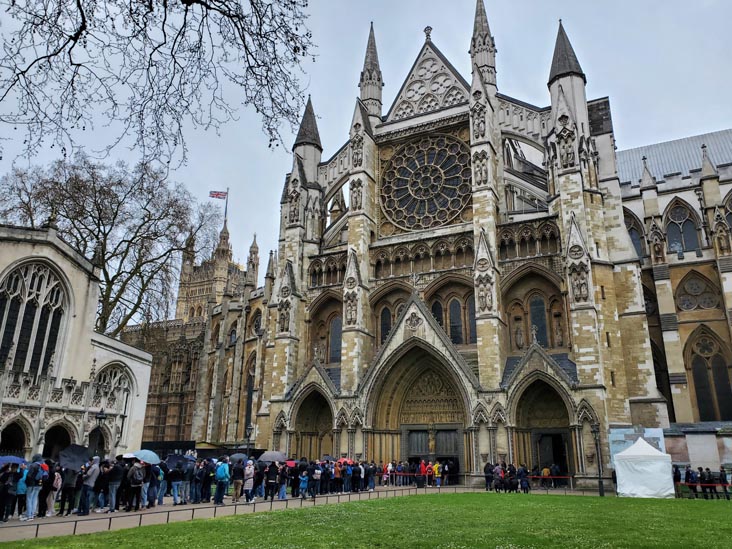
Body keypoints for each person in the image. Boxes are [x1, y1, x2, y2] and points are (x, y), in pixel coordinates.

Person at [22, 454, 46, 521]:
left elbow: (29, 475)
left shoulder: (33, 465)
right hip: (40, 484)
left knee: (29, 499)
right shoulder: (44, 465)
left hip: (32, 484)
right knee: (35, 499)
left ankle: (29, 515)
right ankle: (32, 514)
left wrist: (27, 482)